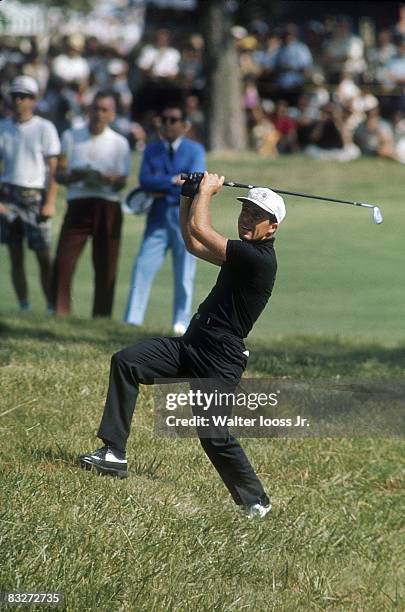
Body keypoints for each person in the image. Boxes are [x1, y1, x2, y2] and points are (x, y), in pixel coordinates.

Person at [80, 171, 286, 518]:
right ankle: (114, 453)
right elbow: (192, 242)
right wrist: (188, 196)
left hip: (220, 359)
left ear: (273, 227)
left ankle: (257, 502)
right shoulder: (243, 253)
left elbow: (204, 231)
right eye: (245, 212)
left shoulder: (259, 259)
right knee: (127, 361)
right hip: (192, 346)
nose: (247, 220)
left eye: (256, 216)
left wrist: (206, 191)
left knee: (213, 435)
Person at [124, 105, 206, 335]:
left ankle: (181, 322)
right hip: (157, 217)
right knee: (142, 266)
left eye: (174, 119)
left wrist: (165, 184)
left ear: (184, 125)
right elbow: (145, 182)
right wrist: (172, 182)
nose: (168, 124)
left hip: (183, 217)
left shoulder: (195, 150)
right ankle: (132, 319)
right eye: (165, 119)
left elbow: (194, 181)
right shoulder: (151, 150)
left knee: (184, 272)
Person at [52, 91, 131, 317]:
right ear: (88, 110)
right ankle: (60, 311)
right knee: (63, 261)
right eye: (95, 108)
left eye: (104, 109)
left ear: (112, 114)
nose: (98, 114)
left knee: (106, 263)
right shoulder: (70, 136)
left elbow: (121, 182)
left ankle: (101, 315)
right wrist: (73, 176)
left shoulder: (119, 142)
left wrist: (110, 179)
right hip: (78, 203)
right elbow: (60, 173)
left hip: (107, 204)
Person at [0, 75, 60, 312]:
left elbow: (53, 169)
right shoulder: (3, 127)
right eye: (15, 96)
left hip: (36, 196)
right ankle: (24, 306)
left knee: (44, 256)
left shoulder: (45, 128)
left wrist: (50, 202)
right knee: (15, 255)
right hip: (8, 194)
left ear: (34, 100)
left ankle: (51, 307)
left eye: (23, 96)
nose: (18, 101)